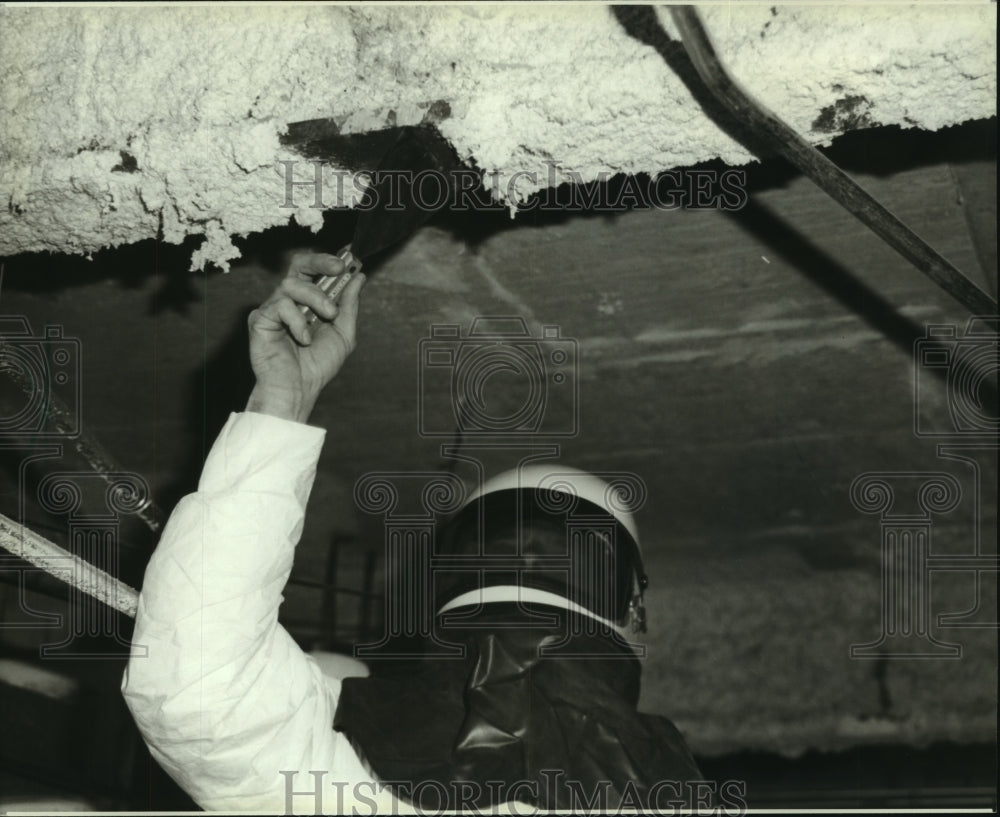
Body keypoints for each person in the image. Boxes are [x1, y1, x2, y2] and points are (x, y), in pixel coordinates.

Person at [122, 252, 704, 815]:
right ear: (632, 608)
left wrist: (280, 404)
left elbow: (193, 691)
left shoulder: (344, 773)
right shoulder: (671, 794)